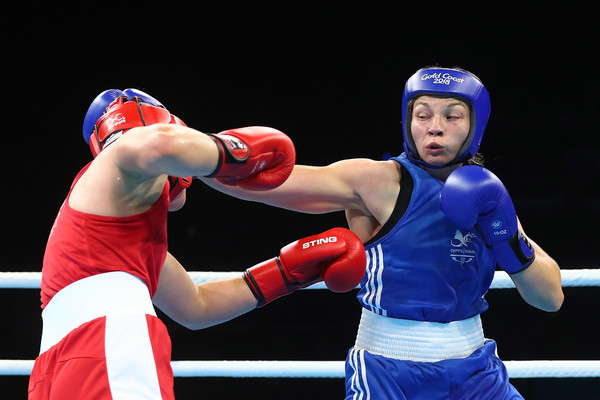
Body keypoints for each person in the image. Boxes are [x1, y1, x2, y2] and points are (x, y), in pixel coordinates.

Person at [200, 66, 564, 399]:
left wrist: (507, 235)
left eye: (452, 116)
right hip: (388, 370)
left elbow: (549, 298)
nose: (434, 126)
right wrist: (194, 158)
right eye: (422, 115)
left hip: (476, 370)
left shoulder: (487, 193)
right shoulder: (378, 180)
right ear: (408, 121)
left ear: (475, 125)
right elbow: (267, 185)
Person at [27, 88, 367, 399]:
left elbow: (196, 305)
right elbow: (152, 144)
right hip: (106, 342)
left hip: (56, 365)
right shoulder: (119, 158)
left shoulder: (123, 234)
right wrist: (230, 152)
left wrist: (287, 272)